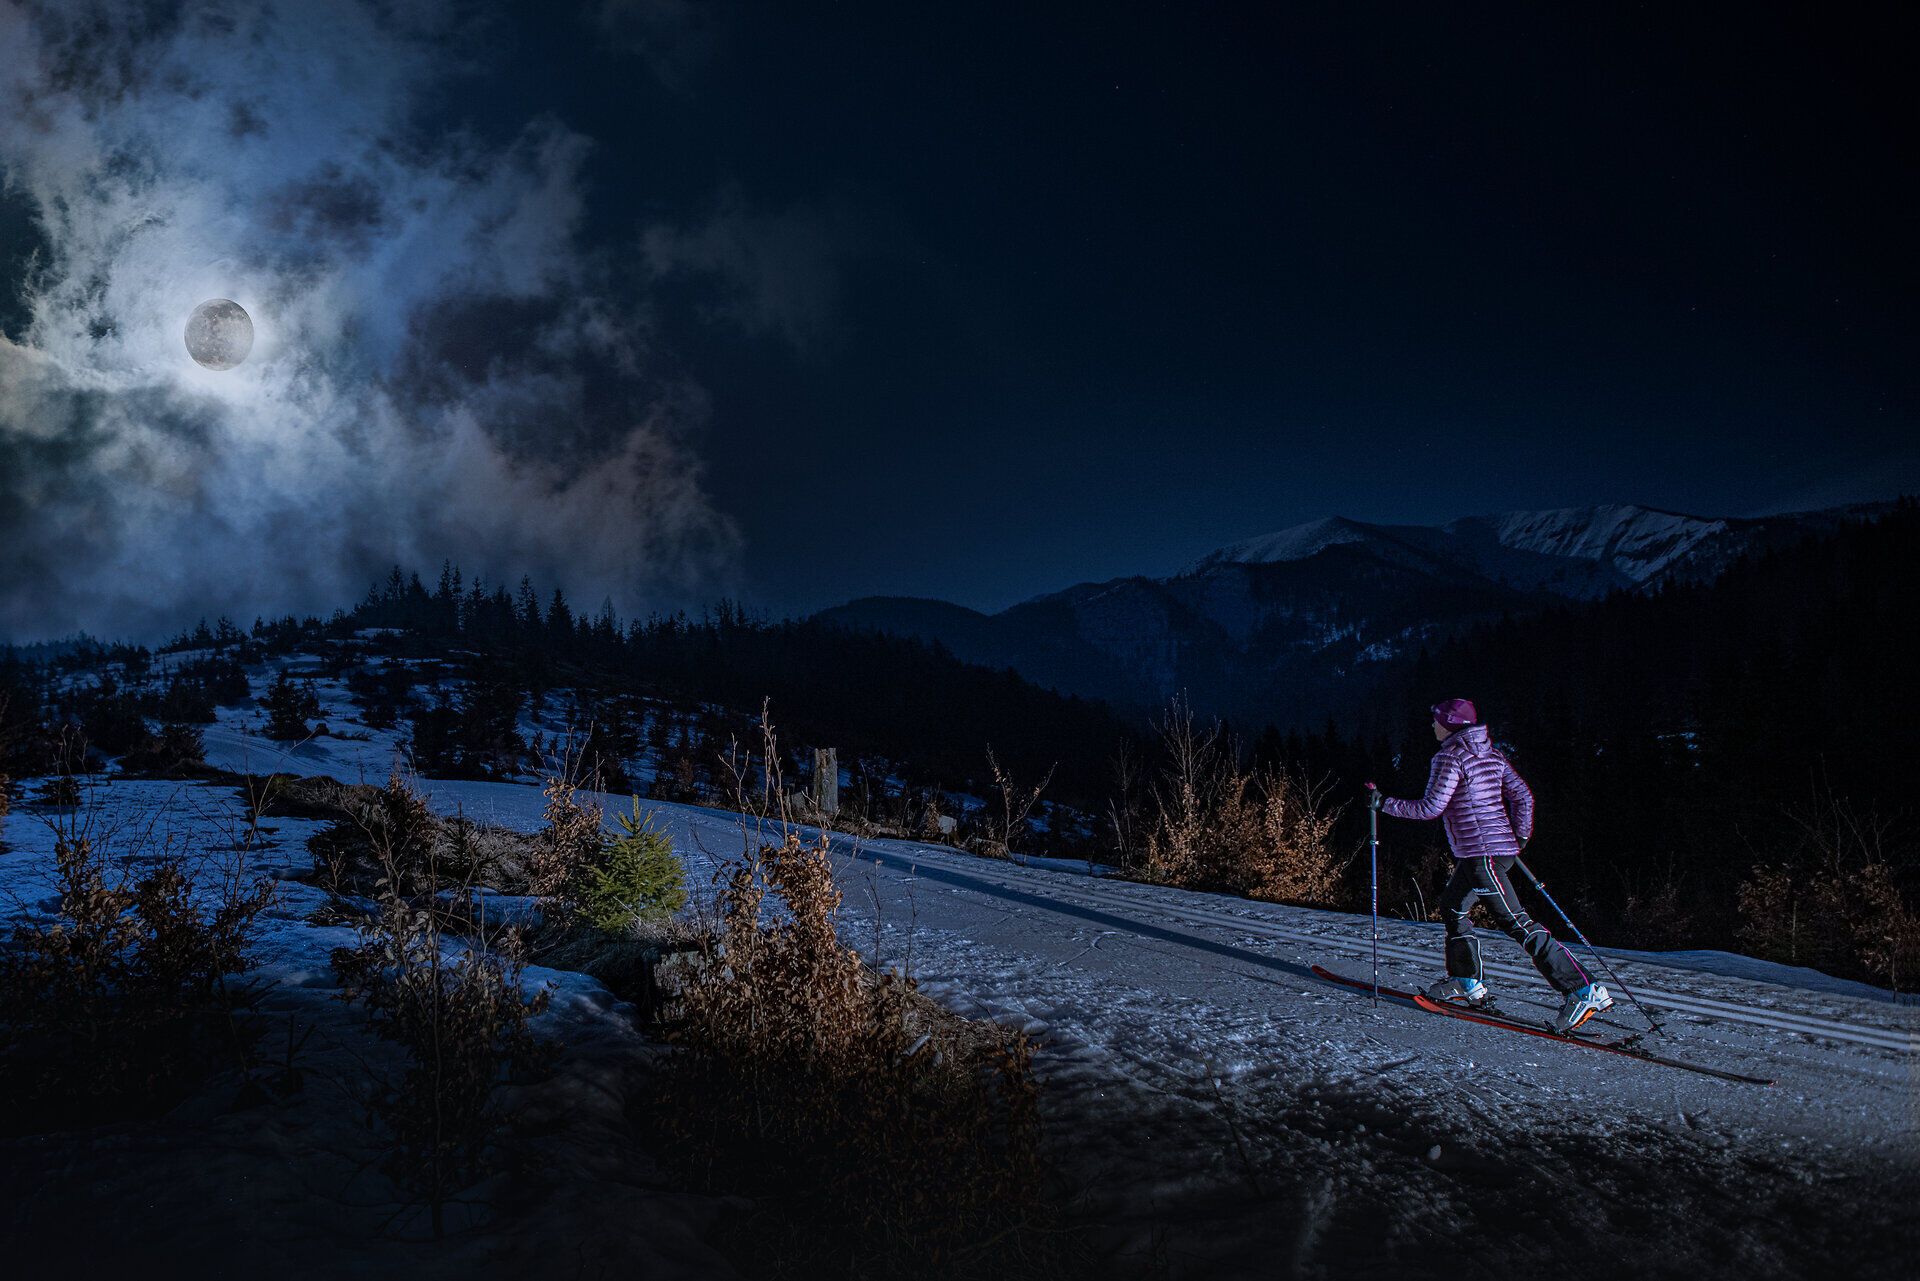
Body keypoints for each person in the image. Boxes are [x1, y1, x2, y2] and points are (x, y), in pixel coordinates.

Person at [1368, 698, 1613, 1033]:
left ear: (1452, 724)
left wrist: (1385, 803)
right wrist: (1520, 838)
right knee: (1453, 906)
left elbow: (1430, 808)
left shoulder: (1450, 757)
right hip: (1493, 852)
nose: (1433, 725)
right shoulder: (1491, 753)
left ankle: (1582, 989)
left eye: (1437, 720)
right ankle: (1466, 980)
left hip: (1481, 855)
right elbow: (1523, 797)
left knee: (1516, 922)